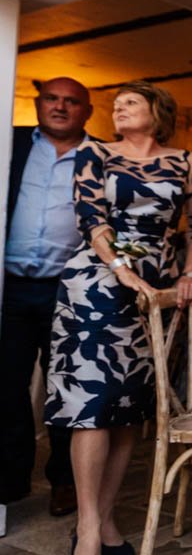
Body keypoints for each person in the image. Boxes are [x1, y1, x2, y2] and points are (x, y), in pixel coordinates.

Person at [44, 81, 192, 555]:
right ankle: (89, 530)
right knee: (91, 408)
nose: (118, 108)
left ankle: (107, 517)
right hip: (95, 286)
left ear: (157, 112)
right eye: (115, 104)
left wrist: (189, 276)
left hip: (156, 293)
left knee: (127, 410)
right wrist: (121, 269)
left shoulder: (186, 161)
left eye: (130, 102)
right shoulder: (93, 153)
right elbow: (91, 219)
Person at [1, 78, 91, 519]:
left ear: (86, 111)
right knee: (6, 386)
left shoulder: (100, 157)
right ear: (37, 104)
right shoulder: (10, 141)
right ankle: (10, 481)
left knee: (65, 388)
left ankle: (64, 482)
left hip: (69, 289)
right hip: (10, 287)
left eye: (71, 101)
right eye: (52, 99)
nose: (60, 107)